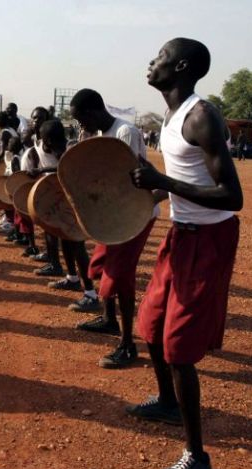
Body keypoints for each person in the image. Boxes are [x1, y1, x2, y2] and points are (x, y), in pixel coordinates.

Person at [129, 37, 243, 469]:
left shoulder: (201, 116)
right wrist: (144, 192)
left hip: (209, 239)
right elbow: (180, 179)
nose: (150, 62)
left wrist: (163, 182)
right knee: (151, 323)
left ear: (179, 67)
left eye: (157, 57)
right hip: (182, 234)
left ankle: (197, 457)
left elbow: (232, 197)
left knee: (178, 347)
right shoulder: (172, 117)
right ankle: (167, 401)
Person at [68, 88, 167, 369]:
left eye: (81, 119)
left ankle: (127, 344)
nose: (80, 125)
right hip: (112, 215)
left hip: (133, 216)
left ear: (94, 111)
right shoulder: (100, 135)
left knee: (120, 276)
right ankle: (109, 319)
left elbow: (132, 181)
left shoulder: (126, 132)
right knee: (101, 266)